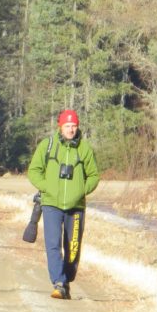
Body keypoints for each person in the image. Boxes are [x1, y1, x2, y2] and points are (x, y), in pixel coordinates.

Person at [26, 108, 100, 299]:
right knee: (53, 244)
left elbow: (93, 176)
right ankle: (58, 283)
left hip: (76, 208)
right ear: (60, 127)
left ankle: (66, 279)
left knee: (73, 248)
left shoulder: (84, 148)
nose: (71, 129)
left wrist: (82, 190)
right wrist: (46, 187)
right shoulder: (47, 145)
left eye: (74, 125)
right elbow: (34, 170)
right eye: (67, 126)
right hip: (51, 203)